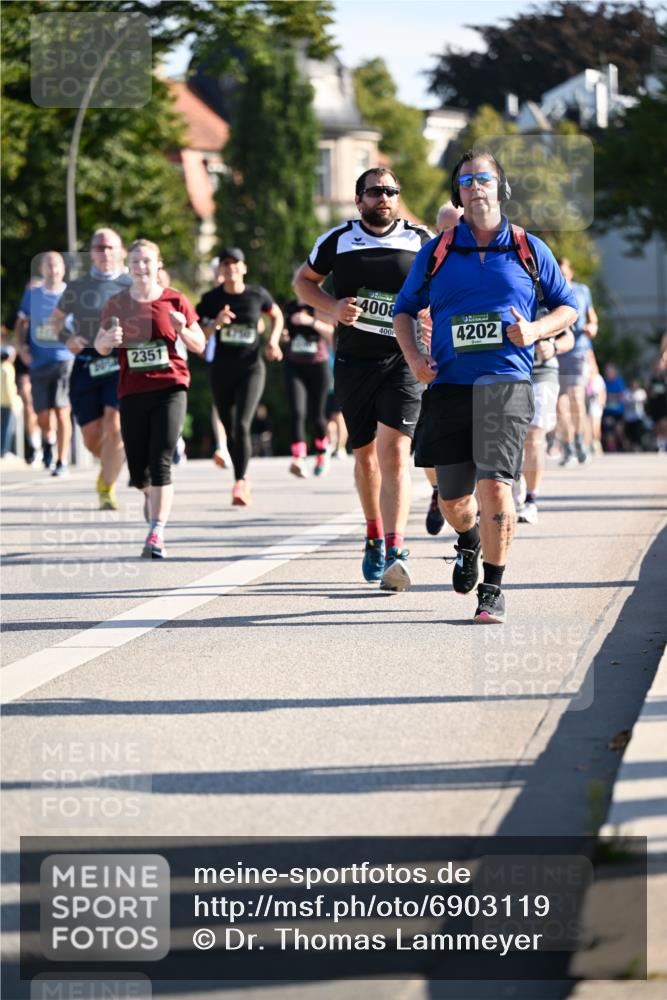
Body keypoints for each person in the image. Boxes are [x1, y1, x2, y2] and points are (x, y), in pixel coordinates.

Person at [393, 149, 577, 622]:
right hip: (450, 383)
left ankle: (492, 589)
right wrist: (414, 358)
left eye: (484, 179)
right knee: (455, 500)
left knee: (496, 488)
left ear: (500, 188)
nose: (476, 187)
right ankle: (468, 540)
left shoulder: (527, 247)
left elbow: (567, 307)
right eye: (467, 181)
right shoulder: (437, 252)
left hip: (506, 382)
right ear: (459, 193)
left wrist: (535, 331)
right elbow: (403, 309)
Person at [294, 167, 433, 591]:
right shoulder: (337, 239)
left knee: (395, 453)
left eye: (391, 191)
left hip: (402, 360)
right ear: (359, 200)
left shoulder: (420, 239)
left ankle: (396, 550)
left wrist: (431, 319)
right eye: (375, 192)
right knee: (366, 456)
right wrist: (333, 308)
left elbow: (444, 287)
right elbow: (303, 283)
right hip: (354, 362)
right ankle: (373, 532)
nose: (384, 198)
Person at [95, 239, 205, 559]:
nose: (141, 267)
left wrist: (183, 330)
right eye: (136, 262)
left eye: (147, 261)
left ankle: (156, 531)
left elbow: (199, 345)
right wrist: (107, 339)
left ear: (159, 266)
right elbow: (101, 346)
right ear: (128, 267)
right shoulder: (116, 304)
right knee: (139, 469)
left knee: (161, 462)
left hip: (171, 387)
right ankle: (149, 494)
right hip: (132, 391)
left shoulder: (175, 300)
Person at [195, 248, 283, 506]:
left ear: (244, 268)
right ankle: (241, 477)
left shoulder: (257, 295)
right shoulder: (210, 299)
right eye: (225, 264)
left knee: (242, 424)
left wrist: (273, 342)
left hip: (251, 369)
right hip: (221, 371)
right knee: (230, 427)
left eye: (235, 263)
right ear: (220, 270)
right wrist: (216, 324)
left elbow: (276, 314)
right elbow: (199, 334)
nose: (231, 268)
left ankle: (240, 481)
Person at [51, 228, 130, 508]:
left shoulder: (129, 285)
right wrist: (67, 338)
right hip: (85, 366)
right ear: (92, 253)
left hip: (118, 367)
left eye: (111, 247)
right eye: (99, 247)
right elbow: (56, 321)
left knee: (115, 424)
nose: (105, 253)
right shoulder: (77, 287)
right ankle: (110, 465)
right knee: (91, 437)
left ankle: (107, 487)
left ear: (120, 251)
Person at [15, 252, 74, 476]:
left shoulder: (72, 294)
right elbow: (21, 323)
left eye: (57, 265)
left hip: (64, 360)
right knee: (41, 414)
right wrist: (22, 348)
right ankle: (48, 440)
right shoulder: (32, 295)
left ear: (63, 269)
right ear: (41, 269)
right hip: (38, 362)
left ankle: (62, 461)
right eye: (49, 266)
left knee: (62, 410)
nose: (53, 270)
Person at [425, 200, 463, 536]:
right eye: (447, 228)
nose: (454, 234)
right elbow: (405, 304)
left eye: (460, 226)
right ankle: (438, 490)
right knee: (431, 445)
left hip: (472, 366)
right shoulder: (428, 258)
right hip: (433, 364)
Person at [516, 312, 574, 524]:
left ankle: (531, 500)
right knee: (512, 439)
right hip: (508, 372)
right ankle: (515, 486)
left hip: (543, 374)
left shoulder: (543, 293)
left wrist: (554, 347)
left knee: (534, 435)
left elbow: (569, 336)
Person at [282, 298, 334, 478]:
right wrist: (284, 335)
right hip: (294, 365)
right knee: (297, 411)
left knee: (317, 415)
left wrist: (310, 321)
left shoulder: (320, 305)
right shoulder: (289, 307)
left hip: (317, 365)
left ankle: (322, 451)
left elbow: (332, 333)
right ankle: (298, 457)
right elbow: (284, 330)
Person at [556, 257, 598, 467]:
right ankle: (568, 445)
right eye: (559, 273)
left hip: (578, 350)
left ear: (570, 272)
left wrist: (593, 328)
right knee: (560, 403)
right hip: (557, 351)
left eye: (564, 272)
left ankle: (581, 441)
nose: (562, 276)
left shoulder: (583, 291)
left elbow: (593, 318)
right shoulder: (549, 291)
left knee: (576, 397)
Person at [646, 333, 667, 452]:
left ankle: (664, 442)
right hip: (655, 402)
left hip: (664, 401)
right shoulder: (653, 376)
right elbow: (648, 388)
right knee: (657, 424)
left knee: (664, 423)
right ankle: (659, 443)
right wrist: (650, 393)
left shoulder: (665, 375)